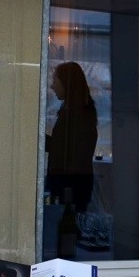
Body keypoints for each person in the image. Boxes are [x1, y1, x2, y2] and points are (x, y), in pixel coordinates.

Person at [45, 61, 98, 214]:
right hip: (71, 185)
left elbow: (63, 150)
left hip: (69, 187)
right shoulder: (80, 112)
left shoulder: (76, 115)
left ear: (66, 84)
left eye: (55, 81)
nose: (52, 86)